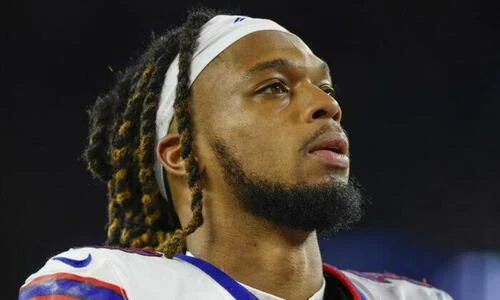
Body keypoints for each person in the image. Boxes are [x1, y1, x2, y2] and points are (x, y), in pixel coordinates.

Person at [18, 6, 453, 300]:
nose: (328, 105)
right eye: (274, 88)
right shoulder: (112, 287)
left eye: (324, 88)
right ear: (181, 155)